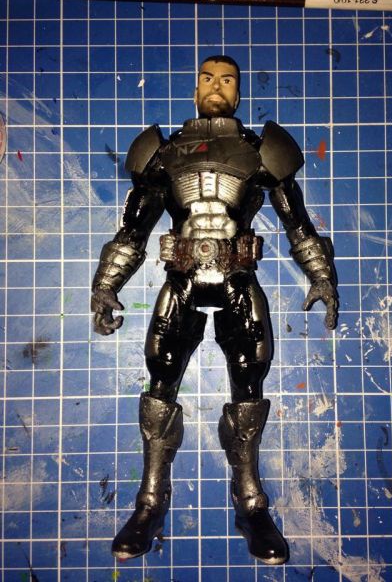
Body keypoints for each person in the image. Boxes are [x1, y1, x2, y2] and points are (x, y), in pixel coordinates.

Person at [91, 55, 338, 565]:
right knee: (161, 377)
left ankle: (250, 504)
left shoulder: (260, 150)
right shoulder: (162, 153)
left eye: (227, 80)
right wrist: (106, 284)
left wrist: (320, 275)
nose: (217, 87)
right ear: (195, 89)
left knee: (249, 380)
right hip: (181, 278)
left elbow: (296, 220)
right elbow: (134, 228)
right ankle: (149, 502)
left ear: (239, 92)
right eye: (207, 79)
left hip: (237, 279)